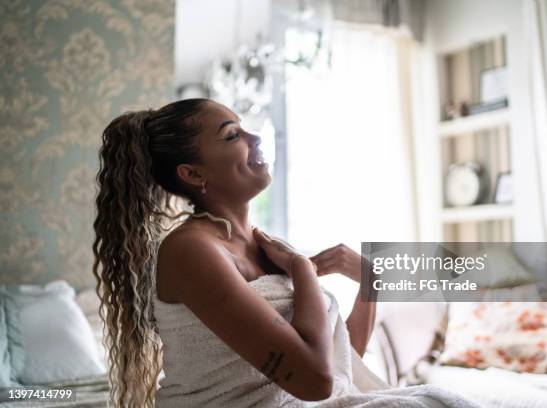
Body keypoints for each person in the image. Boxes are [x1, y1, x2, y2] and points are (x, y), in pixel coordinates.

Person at [93, 98, 480, 408]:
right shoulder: (191, 249)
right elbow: (314, 381)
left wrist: (370, 284)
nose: (255, 138)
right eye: (232, 136)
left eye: (245, 127)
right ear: (193, 174)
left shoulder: (266, 247)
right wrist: (301, 270)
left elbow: (337, 368)